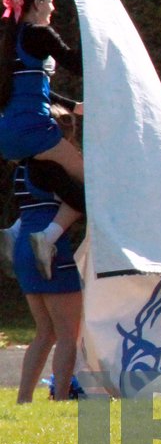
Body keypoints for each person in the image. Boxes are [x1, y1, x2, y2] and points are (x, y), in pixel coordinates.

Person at [0, 0, 86, 278]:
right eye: (50, 0)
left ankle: (15, 231)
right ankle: (46, 237)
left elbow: (31, 89)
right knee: (91, 185)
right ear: (37, 4)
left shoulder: (13, 41)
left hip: (9, 134)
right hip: (35, 130)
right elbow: (77, 64)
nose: (53, 7)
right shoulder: (39, 33)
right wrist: (98, 34)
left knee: (58, 183)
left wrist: (73, 106)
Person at [13, 106, 83, 403]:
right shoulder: (50, 165)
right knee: (68, 333)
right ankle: (62, 397)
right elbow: (81, 199)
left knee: (44, 332)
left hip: (23, 246)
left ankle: (24, 399)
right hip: (50, 249)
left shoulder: (23, 165)